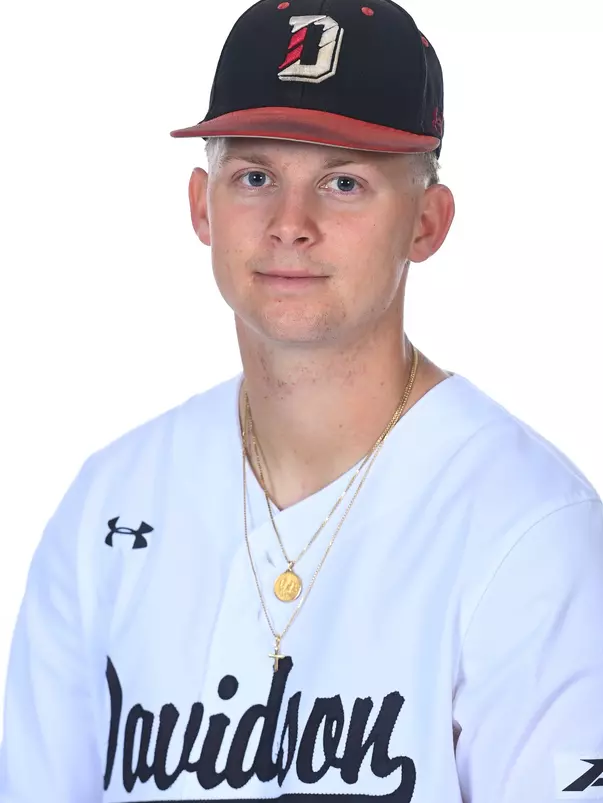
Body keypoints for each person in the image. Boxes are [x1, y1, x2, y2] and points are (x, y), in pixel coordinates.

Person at [1, 0, 602, 800]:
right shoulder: (108, 504)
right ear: (200, 206)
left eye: (343, 182)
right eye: (255, 177)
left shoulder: (531, 528)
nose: (291, 224)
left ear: (426, 222)